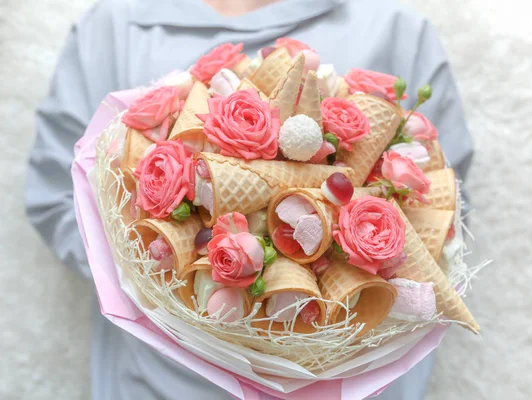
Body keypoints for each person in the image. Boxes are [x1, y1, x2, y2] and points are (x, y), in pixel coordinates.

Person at [25, 0, 474, 398]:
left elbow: (444, 203)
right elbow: (56, 197)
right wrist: (158, 297)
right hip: (156, 381)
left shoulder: (393, 27)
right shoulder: (113, 25)